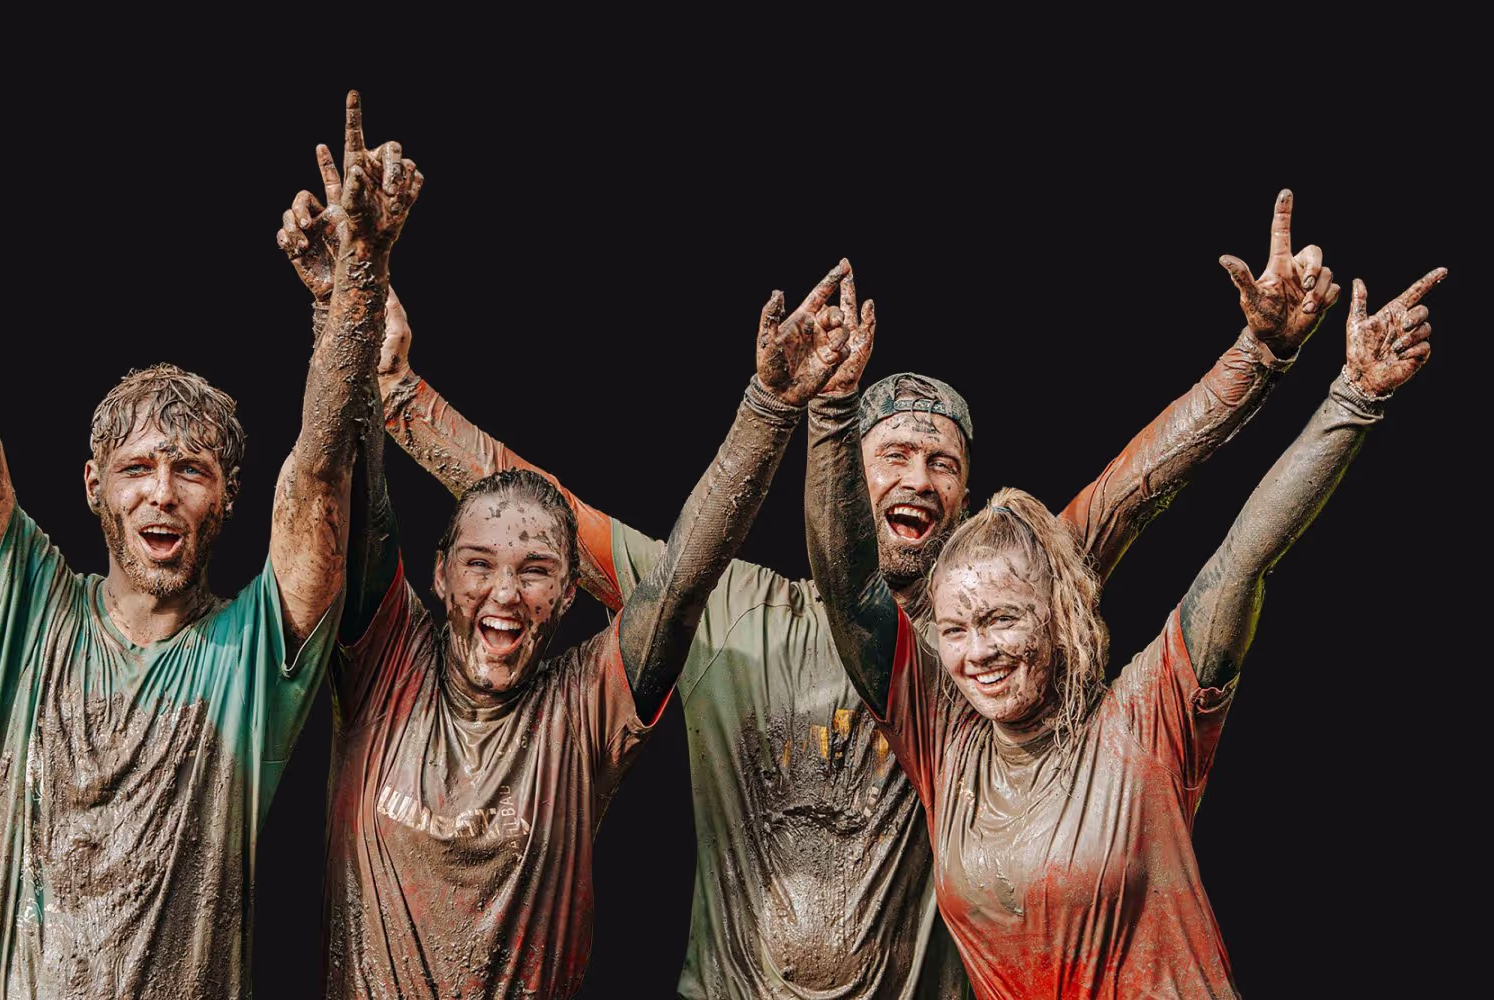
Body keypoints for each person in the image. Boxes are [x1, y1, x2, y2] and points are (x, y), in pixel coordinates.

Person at [274, 186, 1337, 996]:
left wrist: (1259, 358)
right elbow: (544, 517)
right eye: (892, 453)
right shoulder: (726, 603)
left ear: (968, 496)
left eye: (941, 463)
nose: (916, 477)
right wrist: (399, 393)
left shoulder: (988, 622)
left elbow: (1137, 486)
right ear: (846, 467)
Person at [0, 45, 413, 998]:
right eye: (136, 469)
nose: (161, 492)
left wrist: (361, 278)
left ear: (227, 497)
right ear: (92, 487)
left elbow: (319, 467)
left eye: (190, 470)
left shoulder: (253, 654)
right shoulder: (30, 612)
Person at [278, 130, 866, 995]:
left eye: (537, 569)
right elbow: (339, 467)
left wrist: (771, 404)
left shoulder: (585, 705)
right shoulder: (384, 659)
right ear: (437, 575)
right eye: (479, 563)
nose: (504, 592)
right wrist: (351, 294)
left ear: (567, 596)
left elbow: (683, 580)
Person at [808, 257, 1444, 997]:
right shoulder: (945, 743)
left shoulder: (1145, 721)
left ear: (1058, 618)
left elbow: (1241, 559)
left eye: (1002, 620)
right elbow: (851, 588)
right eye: (954, 630)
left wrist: (1352, 397)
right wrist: (830, 408)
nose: (977, 651)